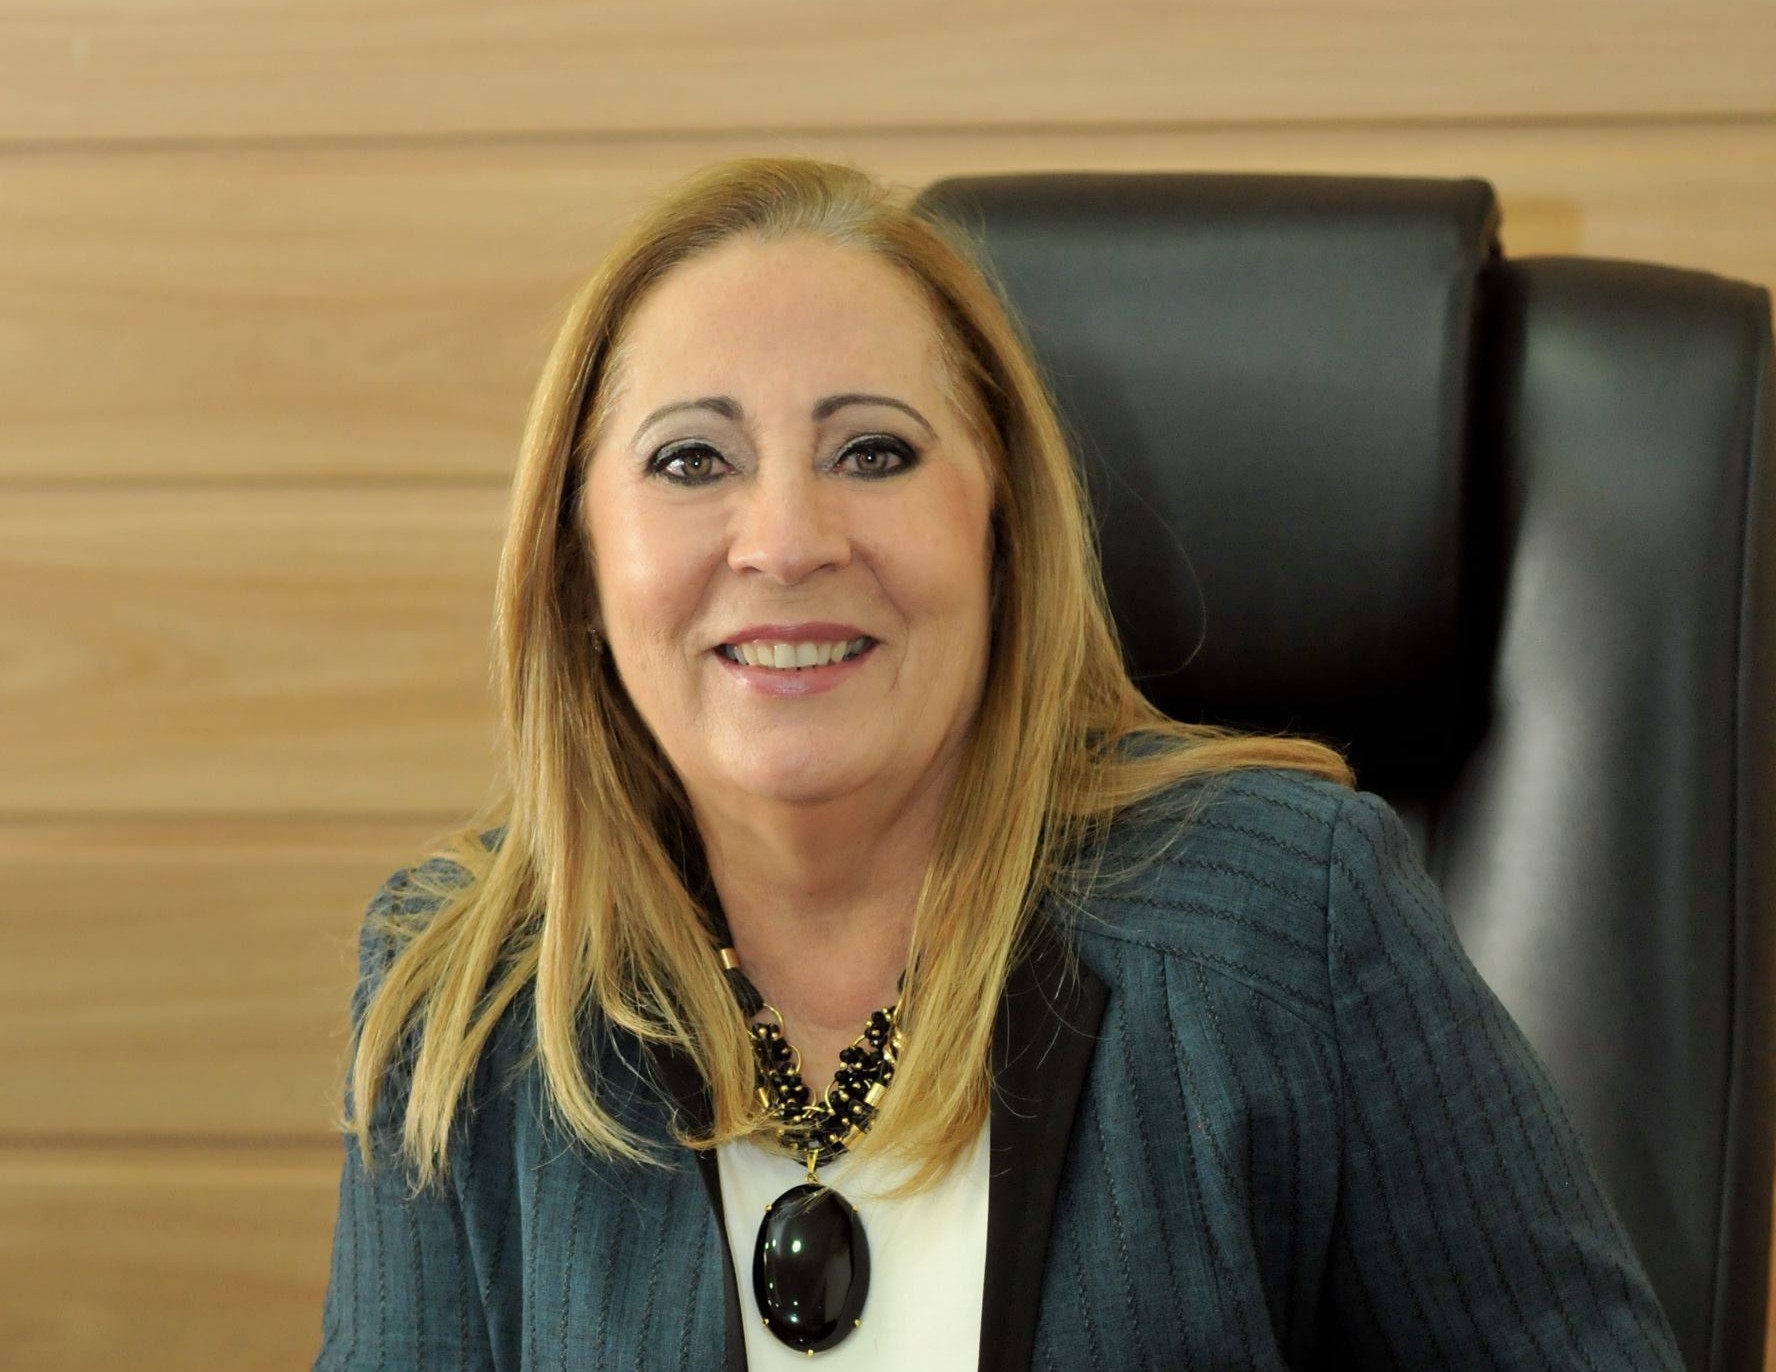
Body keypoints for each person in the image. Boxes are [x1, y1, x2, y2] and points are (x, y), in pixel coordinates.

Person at [313, 156, 1683, 1370]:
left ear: (1001, 532)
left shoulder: (1293, 918)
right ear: (578, 565)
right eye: (691, 461)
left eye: (873, 452)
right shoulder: (465, 999)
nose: (786, 541)